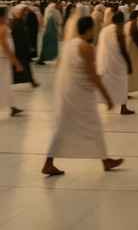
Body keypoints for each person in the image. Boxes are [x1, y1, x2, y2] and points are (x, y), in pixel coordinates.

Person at [43, 16, 123, 176]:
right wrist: (107, 97)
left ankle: (105, 160)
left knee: (66, 127)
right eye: (93, 29)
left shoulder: (69, 44)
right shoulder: (86, 47)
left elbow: (61, 67)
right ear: (88, 30)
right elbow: (93, 76)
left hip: (69, 92)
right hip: (79, 95)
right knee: (90, 126)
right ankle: (104, 161)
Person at [97, 13, 135, 115]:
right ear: (121, 21)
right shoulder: (119, 30)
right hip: (117, 63)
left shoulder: (105, 30)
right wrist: (129, 63)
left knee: (108, 82)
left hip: (105, 60)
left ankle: (108, 101)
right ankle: (123, 107)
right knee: (122, 83)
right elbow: (123, 49)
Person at [0, 7, 25, 117]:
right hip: (3, 59)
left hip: (3, 59)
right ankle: (11, 105)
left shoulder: (4, 27)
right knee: (4, 82)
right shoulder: (3, 28)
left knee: (5, 83)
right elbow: (5, 46)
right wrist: (16, 62)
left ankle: (12, 106)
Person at [11, 5, 38, 87]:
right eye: (22, 12)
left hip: (22, 49)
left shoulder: (20, 22)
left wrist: (29, 46)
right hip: (19, 49)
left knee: (24, 66)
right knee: (22, 66)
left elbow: (25, 36)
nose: (24, 13)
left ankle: (31, 81)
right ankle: (31, 81)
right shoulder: (16, 23)